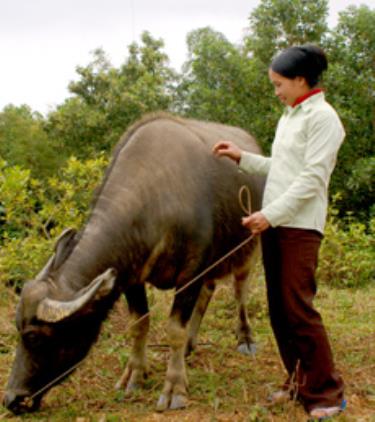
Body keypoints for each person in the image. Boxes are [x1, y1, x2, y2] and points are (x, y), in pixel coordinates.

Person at [213, 45, 345, 419]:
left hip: (299, 226)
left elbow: (312, 179)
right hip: (277, 222)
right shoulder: (291, 115)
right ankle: (299, 381)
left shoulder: (323, 119)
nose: (277, 91)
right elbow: (282, 166)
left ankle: (327, 394)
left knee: (298, 310)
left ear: (301, 80)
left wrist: (269, 214)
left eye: (279, 84)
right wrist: (242, 156)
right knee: (279, 311)